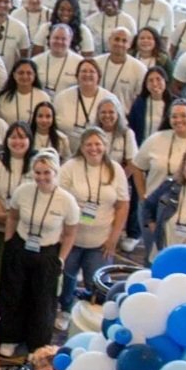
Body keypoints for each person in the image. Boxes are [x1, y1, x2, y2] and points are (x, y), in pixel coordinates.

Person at [0, 150, 78, 352]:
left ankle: (37, 343)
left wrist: (61, 259)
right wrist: (9, 242)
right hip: (21, 246)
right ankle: (10, 337)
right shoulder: (23, 191)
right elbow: (13, 217)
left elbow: (69, 234)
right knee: (14, 294)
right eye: (38, 172)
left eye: (46, 173)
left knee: (43, 300)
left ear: (55, 172)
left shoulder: (67, 201)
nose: (42, 177)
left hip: (48, 253)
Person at [57, 126, 131, 323]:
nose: (93, 148)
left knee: (97, 283)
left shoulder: (115, 170)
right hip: (71, 239)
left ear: (105, 146)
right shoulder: (70, 167)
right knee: (66, 278)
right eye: (88, 144)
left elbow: (123, 205)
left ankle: (96, 317)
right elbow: (59, 200)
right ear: (81, 147)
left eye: (98, 144)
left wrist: (114, 238)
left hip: (101, 241)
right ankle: (65, 309)